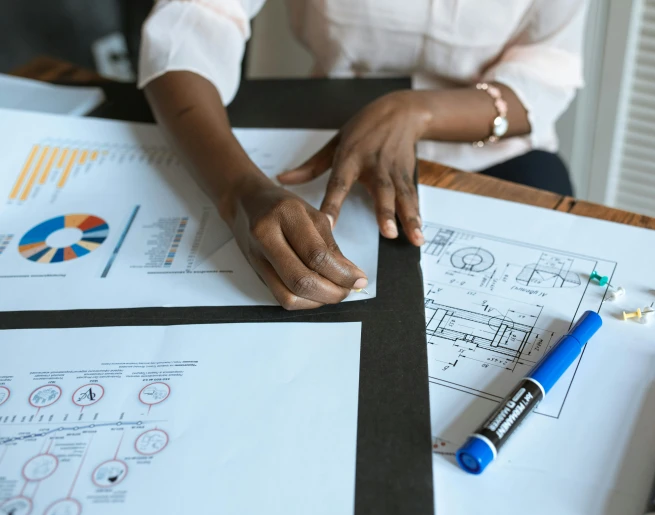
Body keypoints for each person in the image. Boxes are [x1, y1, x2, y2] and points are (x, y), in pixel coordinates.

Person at [139, 0, 586, 310]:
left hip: (487, 152)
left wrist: (417, 111)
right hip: (325, 143)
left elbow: (545, 71)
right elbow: (189, 25)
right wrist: (238, 189)